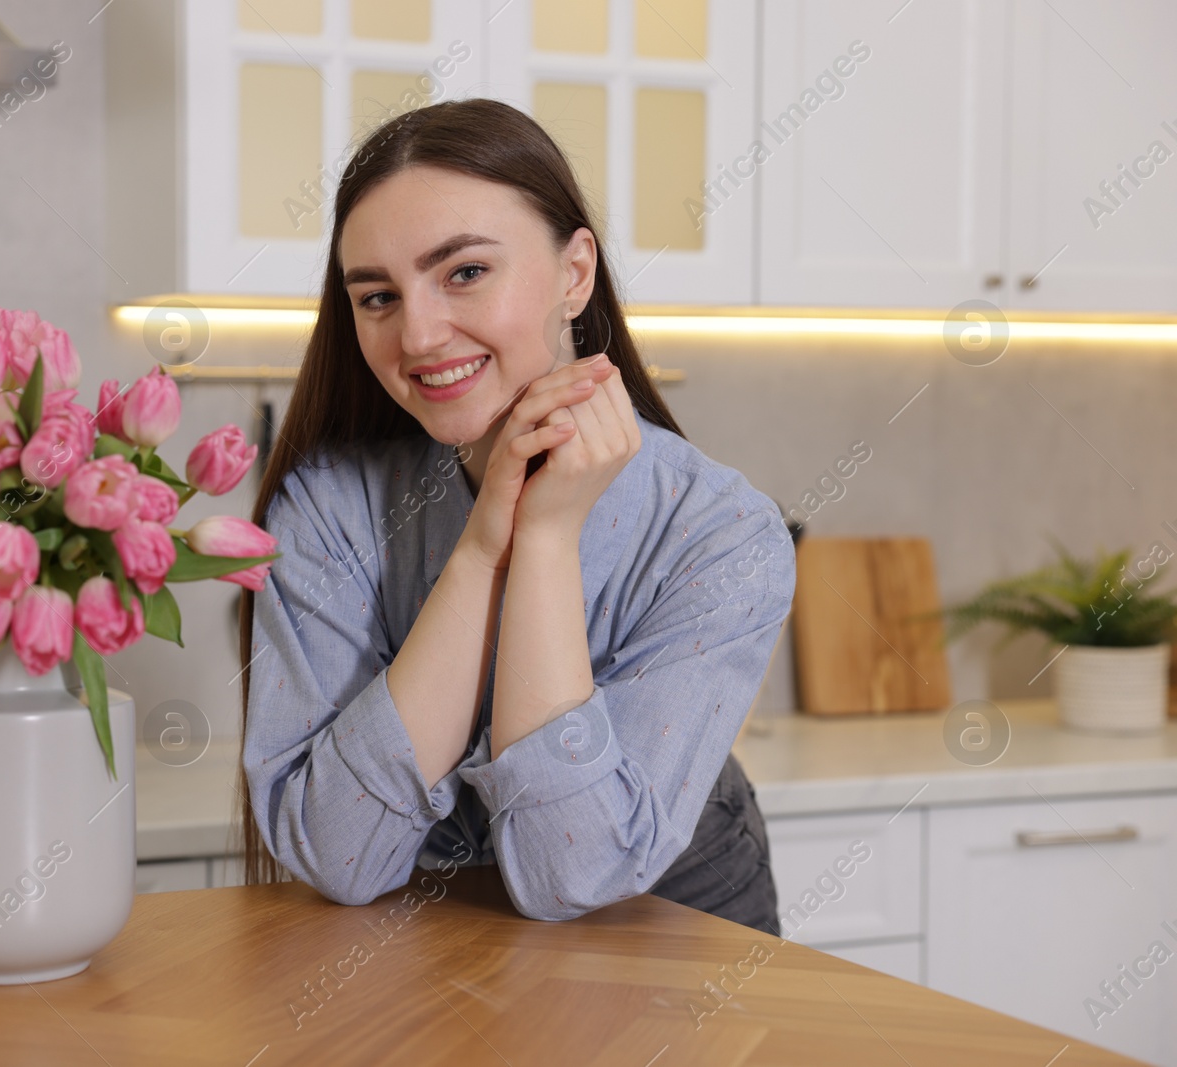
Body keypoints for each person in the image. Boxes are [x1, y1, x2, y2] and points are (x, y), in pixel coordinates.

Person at [235, 98, 795, 931]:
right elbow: (339, 858)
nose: (418, 336)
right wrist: (483, 547)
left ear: (575, 275)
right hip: (429, 931)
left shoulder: (722, 531)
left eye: (464, 272)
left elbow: (573, 875)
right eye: (379, 296)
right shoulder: (328, 503)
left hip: (672, 926)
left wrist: (546, 536)